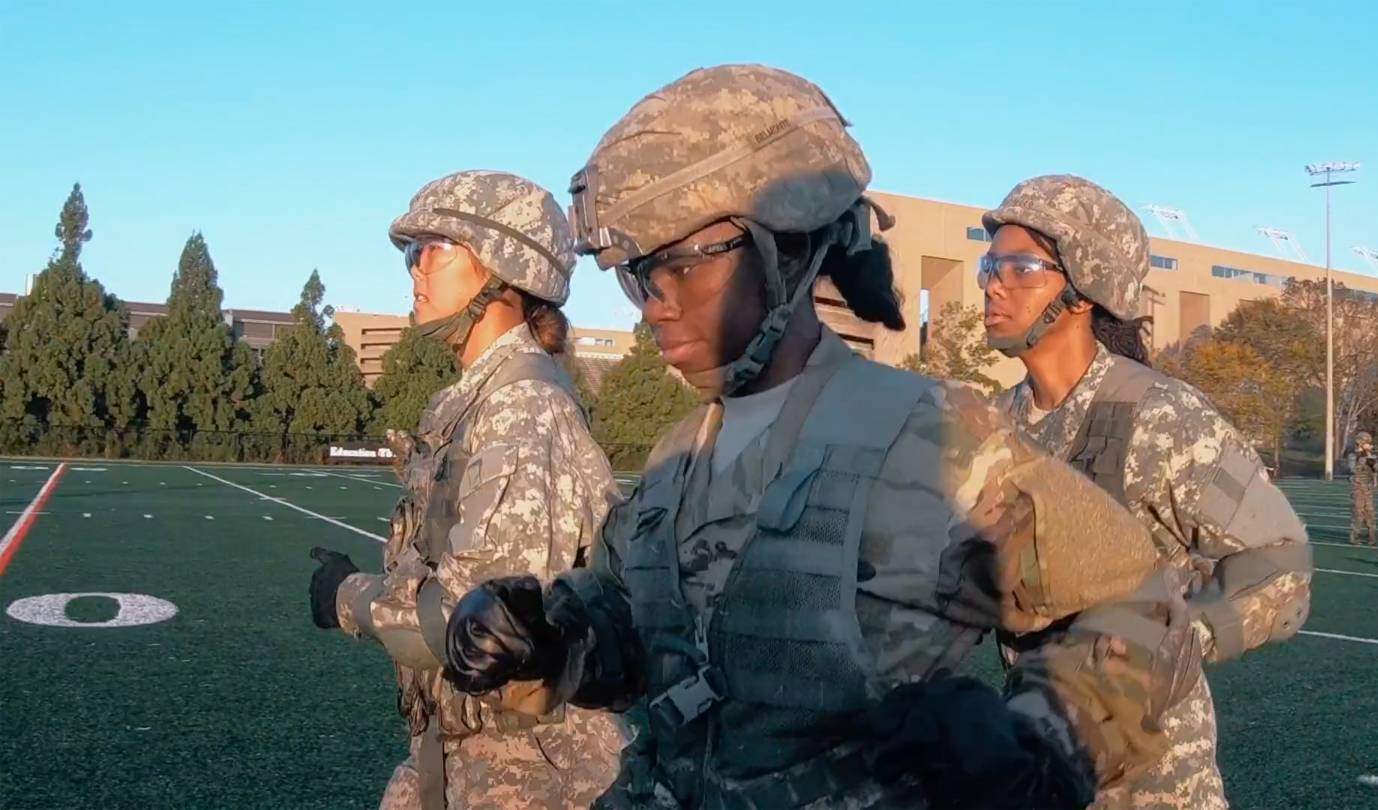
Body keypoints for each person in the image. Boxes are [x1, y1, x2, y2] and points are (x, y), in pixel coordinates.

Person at [441, 64, 1201, 810]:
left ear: (789, 251)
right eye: (636, 276)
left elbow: (1134, 598)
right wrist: (543, 636)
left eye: (678, 266)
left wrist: (1045, 743)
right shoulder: (678, 457)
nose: (654, 306)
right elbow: (632, 629)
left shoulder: (929, 437)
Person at [982, 175, 1313, 809]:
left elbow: (1282, 563)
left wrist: (1178, 639)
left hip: (1155, 781)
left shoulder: (1160, 416)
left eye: (1021, 267)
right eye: (990, 264)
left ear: (1084, 288)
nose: (995, 283)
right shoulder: (995, 428)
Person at [307, 171, 624, 809]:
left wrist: (344, 597)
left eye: (433, 251)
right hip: (465, 756)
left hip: (528, 771)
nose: (415, 271)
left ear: (502, 270)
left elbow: (470, 621)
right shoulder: (478, 402)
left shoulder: (523, 408)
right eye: (410, 253)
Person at [1347, 431, 1378, 547]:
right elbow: (1352, 468)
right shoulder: (1353, 455)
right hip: (1358, 487)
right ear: (1360, 443)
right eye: (1365, 442)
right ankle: (1354, 536)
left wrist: (1374, 462)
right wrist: (1363, 456)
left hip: (1368, 488)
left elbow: (1377, 469)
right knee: (1358, 512)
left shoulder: (1370, 455)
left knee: (1370, 513)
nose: (1368, 444)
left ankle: (1372, 538)